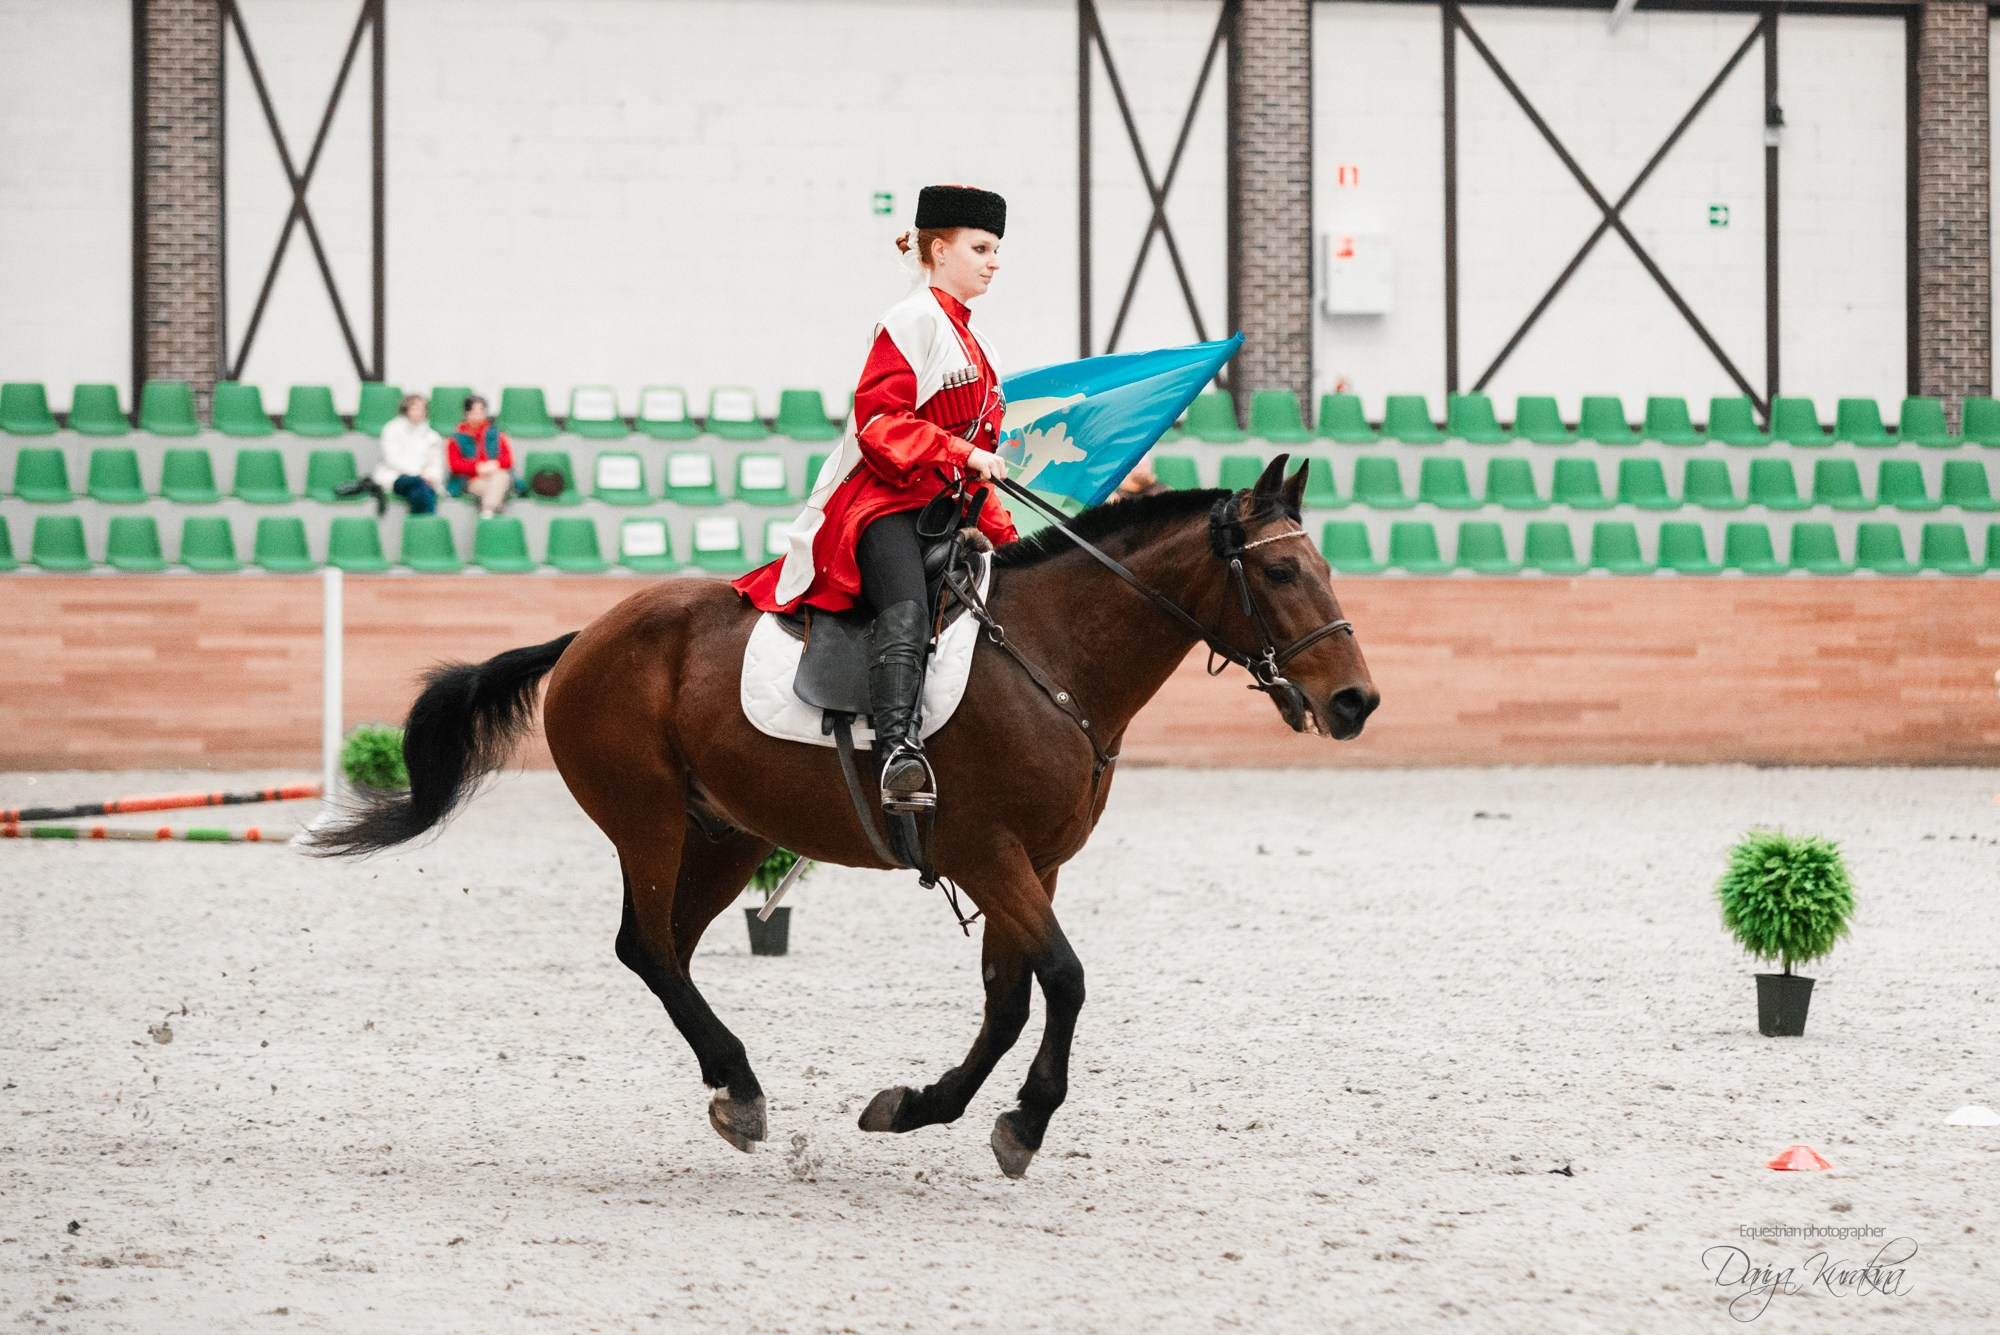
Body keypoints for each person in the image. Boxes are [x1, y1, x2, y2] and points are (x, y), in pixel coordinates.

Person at [734, 183, 1019, 814]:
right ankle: (897, 750)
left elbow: (974, 460)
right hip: (884, 505)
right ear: (938, 250)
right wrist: (962, 454)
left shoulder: (982, 345)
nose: (994, 261)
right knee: (907, 609)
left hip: (944, 507)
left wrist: (1004, 530)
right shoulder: (912, 320)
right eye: (981, 248)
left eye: (997, 249)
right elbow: (880, 422)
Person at [354, 394, 448, 516]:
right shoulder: (392, 429)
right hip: (397, 477)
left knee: (419, 490)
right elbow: (392, 459)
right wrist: (418, 474)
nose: (420, 412)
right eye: (415, 408)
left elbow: (436, 463)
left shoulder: (432, 436)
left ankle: (416, 526)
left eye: (423, 408)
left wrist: (430, 476)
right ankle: (426, 525)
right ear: (406, 409)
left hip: (423, 481)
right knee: (419, 484)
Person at [448, 396, 516, 518]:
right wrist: (477, 467)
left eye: (481, 412)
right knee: (496, 489)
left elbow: (508, 460)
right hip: (473, 481)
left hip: (496, 475)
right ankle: (492, 513)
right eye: (474, 412)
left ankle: (487, 513)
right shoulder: (456, 439)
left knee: (501, 476)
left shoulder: (496, 434)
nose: (477, 416)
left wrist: (494, 465)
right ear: (467, 413)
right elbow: (455, 465)